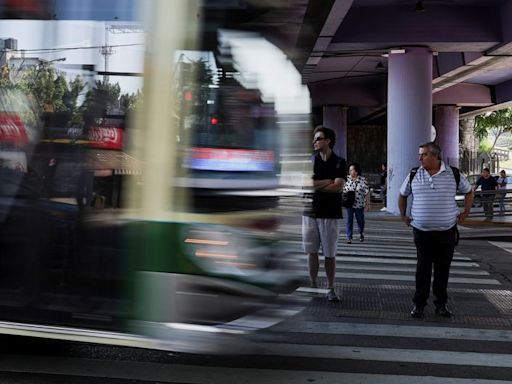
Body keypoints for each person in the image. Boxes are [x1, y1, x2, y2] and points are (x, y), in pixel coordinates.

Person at [398, 142, 473, 318]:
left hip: (446, 231)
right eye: (420, 155)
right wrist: (403, 215)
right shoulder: (414, 174)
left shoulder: (453, 173)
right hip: (421, 231)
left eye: (423, 154)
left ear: (435, 156)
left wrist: (466, 212)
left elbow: (469, 191)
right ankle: (419, 305)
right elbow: (402, 195)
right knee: (422, 269)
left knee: (442, 269)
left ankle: (441, 304)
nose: (420, 158)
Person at [302, 125, 346, 302]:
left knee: (330, 253)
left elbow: (339, 187)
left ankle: (330, 287)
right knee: (311, 251)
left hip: (330, 213)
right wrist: (328, 181)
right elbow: (306, 184)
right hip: (310, 212)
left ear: (328, 141)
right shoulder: (310, 161)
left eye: (318, 138)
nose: (314, 141)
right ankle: (312, 284)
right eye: (314, 139)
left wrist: (318, 184)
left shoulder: (339, 162)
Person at [343, 162, 369, 243]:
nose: (350, 172)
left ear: (356, 171)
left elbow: (367, 192)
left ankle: (361, 233)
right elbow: (342, 190)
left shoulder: (363, 180)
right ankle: (349, 237)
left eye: (351, 170)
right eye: (349, 170)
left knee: (360, 220)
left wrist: (368, 204)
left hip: (359, 204)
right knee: (349, 221)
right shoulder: (346, 179)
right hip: (349, 204)